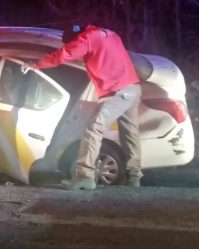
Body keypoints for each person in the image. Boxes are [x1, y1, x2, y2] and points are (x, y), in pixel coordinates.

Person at [22, 24, 142, 190]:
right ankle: (134, 176)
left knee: (93, 128)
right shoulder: (110, 33)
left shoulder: (86, 39)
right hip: (133, 89)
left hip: (118, 92)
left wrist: (36, 64)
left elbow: (64, 54)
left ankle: (84, 176)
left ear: (74, 39)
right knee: (130, 133)